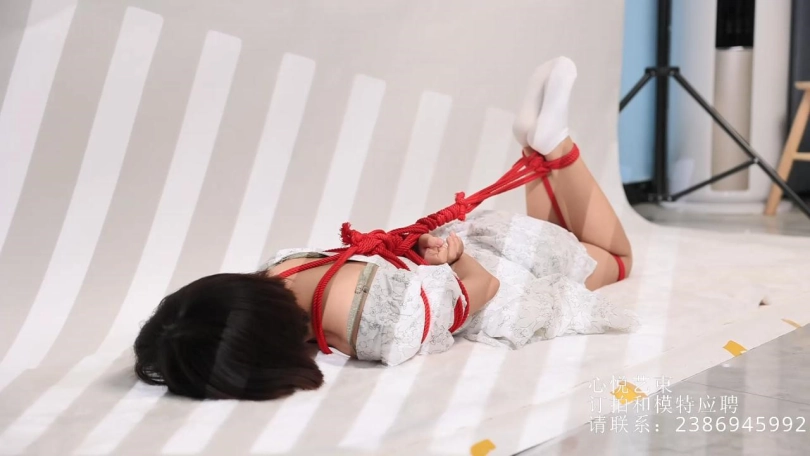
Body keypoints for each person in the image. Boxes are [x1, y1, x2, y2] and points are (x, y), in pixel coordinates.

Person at [134, 57, 638, 401]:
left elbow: (483, 288)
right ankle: (538, 147)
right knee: (564, 238)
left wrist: (458, 261)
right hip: (470, 243)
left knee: (615, 258)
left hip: (491, 275)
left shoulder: (371, 323)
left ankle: (555, 142)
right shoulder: (279, 268)